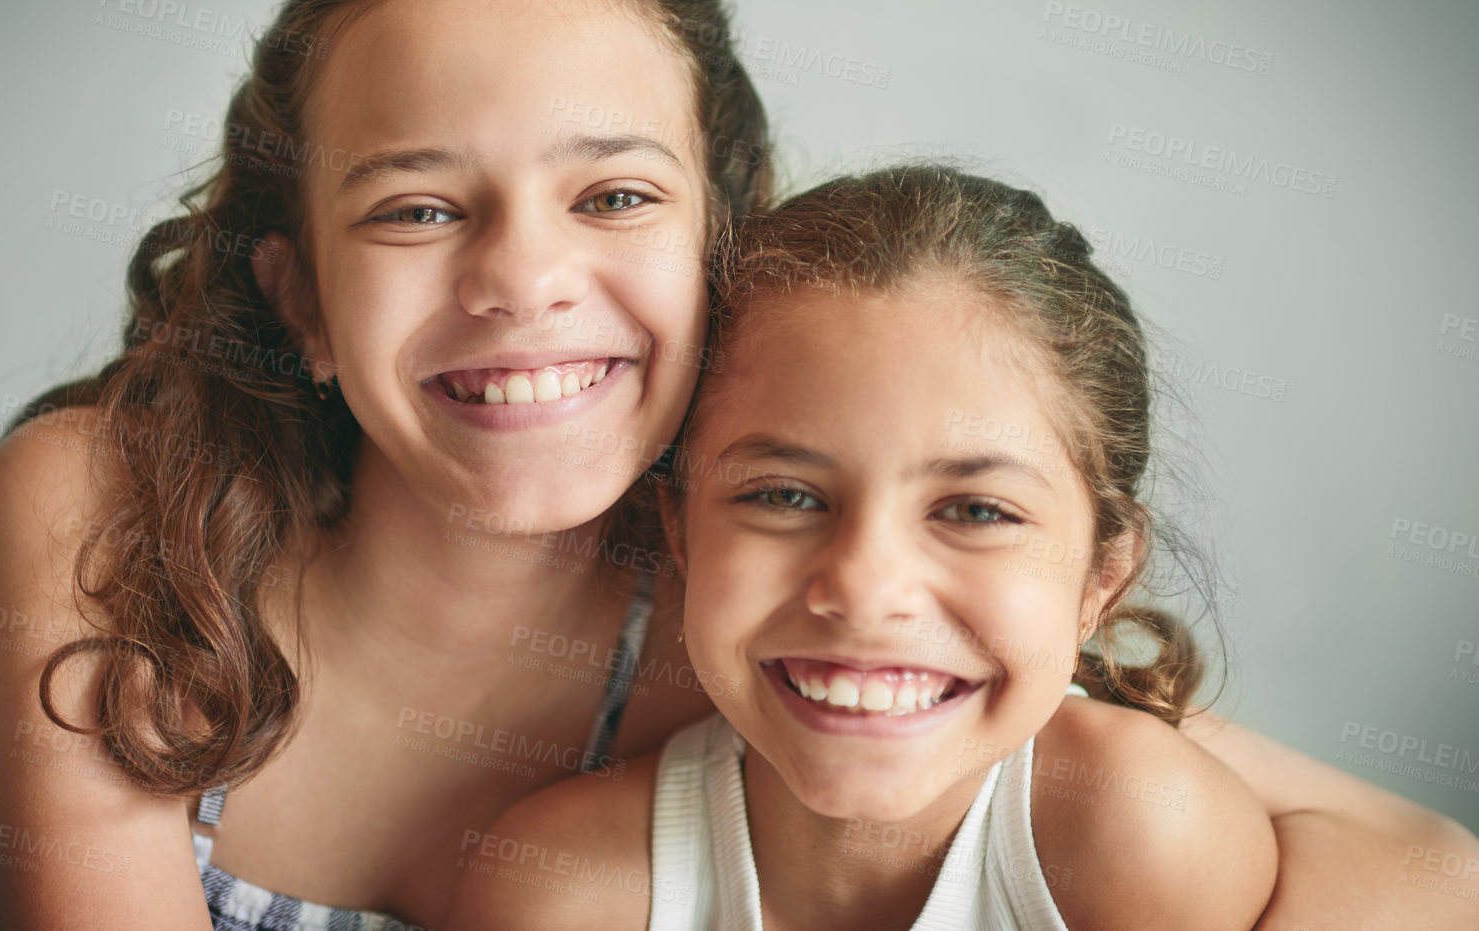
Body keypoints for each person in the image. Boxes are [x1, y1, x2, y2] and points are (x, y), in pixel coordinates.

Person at [0, 0, 1476, 931]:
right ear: (296, 297)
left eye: (613, 196)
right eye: (417, 209)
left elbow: (1418, 864)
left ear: (721, 247)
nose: (522, 280)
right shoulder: (107, 501)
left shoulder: (776, 587)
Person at [447, 164, 1478, 931]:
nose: (864, 587)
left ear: (1102, 577)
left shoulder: (1131, 832)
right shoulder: (566, 890)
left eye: (977, 511)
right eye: (785, 494)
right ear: (680, 532)